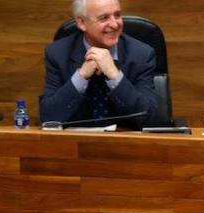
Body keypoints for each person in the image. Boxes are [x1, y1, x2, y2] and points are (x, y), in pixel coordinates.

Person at [39, 0, 158, 129]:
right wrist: (81, 76)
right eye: (104, 18)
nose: (115, 24)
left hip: (125, 138)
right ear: (82, 23)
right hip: (75, 140)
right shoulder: (58, 54)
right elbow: (48, 119)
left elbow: (150, 120)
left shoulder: (141, 55)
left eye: (117, 15)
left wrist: (115, 76)